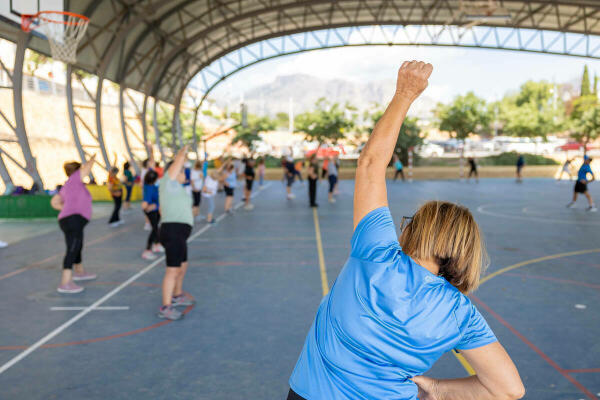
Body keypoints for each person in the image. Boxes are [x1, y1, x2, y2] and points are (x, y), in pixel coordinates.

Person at [287, 61, 525, 400]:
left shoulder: (376, 252)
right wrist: (438, 390)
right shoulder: (459, 313)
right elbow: (510, 390)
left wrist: (405, 94)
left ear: (422, 231)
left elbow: (371, 162)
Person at [158, 145, 195, 321]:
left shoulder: (179, 189)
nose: (183, 174)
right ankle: (166, 307)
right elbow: (177, 165)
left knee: (182, 266)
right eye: (181, 171)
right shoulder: (168, 183)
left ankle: (177, 294)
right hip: (172, 231)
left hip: (180, 232)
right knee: (172, 270)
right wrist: (183, 152)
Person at [50, 154, 98, 293]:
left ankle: (79, 271)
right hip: (73, 220)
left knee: (77, 245)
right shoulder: (74, 180)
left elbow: (54, 202)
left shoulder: (69, 186)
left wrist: (65, 209)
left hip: (70, 220)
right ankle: (65, 283)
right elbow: (87, 168)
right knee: (73, 248)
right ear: (77, 172)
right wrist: (93, 158)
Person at [141, 169, 162, 260]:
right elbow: (144, 205)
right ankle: (147, 250)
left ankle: (156, 245)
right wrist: (149, 207)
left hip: (156, 209)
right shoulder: (149, 189)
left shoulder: (151, 185)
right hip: (152, 211)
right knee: (155, 230)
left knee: (156, 227)